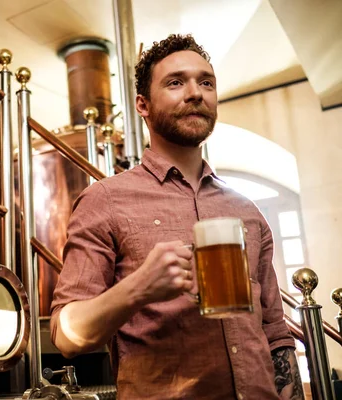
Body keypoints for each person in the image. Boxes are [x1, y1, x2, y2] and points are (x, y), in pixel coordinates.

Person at [50, 34, 303, 399]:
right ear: (143, 105)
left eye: (206, 82)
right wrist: (139, 288)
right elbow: (66, 336)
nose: (196, 92)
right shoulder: (104, 200)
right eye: (175, 82)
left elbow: (273, 329)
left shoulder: (246, 209)